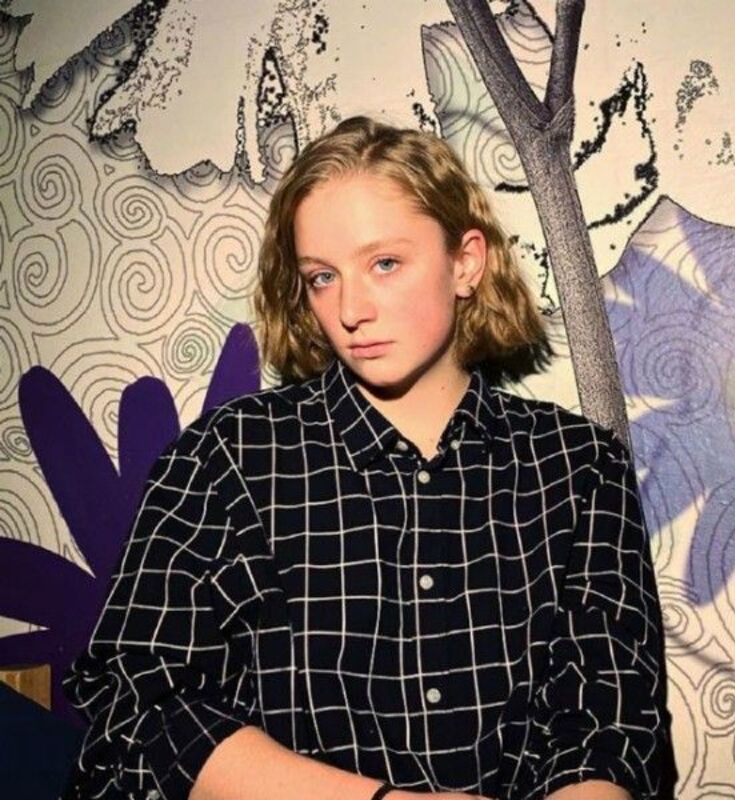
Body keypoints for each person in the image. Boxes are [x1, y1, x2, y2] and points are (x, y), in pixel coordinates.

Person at [62, 116, 671, 800]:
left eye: (384, 264)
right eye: (322, 277)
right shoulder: (225, 460)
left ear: (465, 263)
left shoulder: (579, 468)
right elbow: (140, 704)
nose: (351, 309)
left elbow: (609, 725)